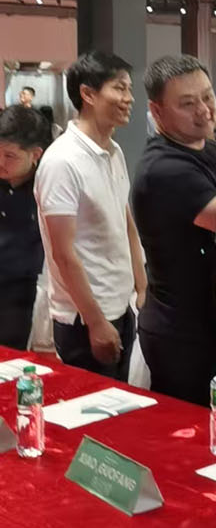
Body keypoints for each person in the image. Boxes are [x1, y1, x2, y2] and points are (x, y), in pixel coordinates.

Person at [132, 55, 216, 405]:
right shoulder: (163, 169)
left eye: (207, 96)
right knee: (190, 430)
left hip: (211, 322)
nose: (204, 110)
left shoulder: (209, 150)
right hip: (182, 334)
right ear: (157, 111)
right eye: (188, 103)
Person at [35, 51, 145, 379]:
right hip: (84, 319)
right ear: (88, 94)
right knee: (94, 408)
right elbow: (63, 253)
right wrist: (95, 321)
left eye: (129, 89)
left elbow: (125, 221)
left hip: (121, 305)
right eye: (120, 88)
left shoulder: (114, 151)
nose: (129, 98)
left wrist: (142, 287)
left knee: (125, 403)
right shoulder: (62, 161)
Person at [0, 106, 51, 348]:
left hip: (24, 290)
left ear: (35, 155)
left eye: (10, 156)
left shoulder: (48, 185)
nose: (1, 162)